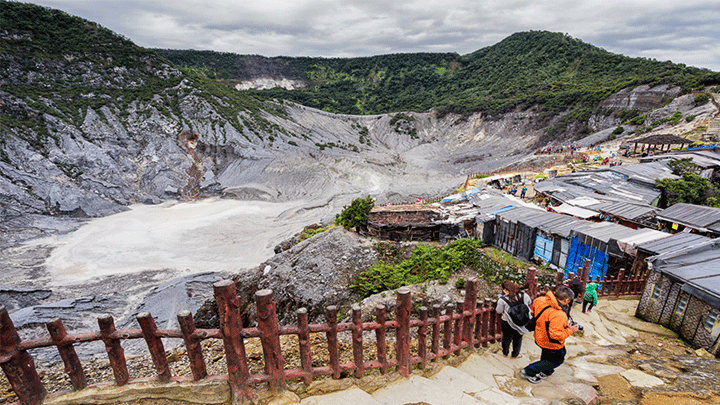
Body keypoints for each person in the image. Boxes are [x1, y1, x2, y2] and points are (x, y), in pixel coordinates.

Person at [518, 286, 580, 384]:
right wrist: (570, 330)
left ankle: (546, 370)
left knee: (547, 354)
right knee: (557, 359)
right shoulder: (559, 314)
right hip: (551, 341)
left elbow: (533, 312)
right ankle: (528, 371)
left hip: (539, 335)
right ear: (566, 300)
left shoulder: (540, 300)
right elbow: (556, 335)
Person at [496, 281, 532, 358]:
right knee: (518, 339)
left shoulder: (502, 300)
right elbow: (529, 302)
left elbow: (498, 311)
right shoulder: (524, 295)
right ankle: (515, 354)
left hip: (507, 322)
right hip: (521, 321)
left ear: (506, 290)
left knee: (506, 337)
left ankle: (505, 352)